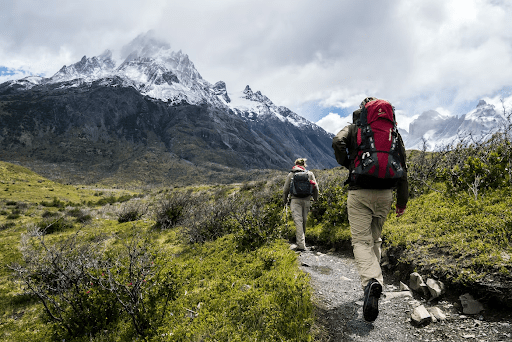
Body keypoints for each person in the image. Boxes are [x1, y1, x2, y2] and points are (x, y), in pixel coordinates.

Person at [332, 97, 408, 322]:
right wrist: (402, 202)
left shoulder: (356, 127)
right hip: (385, 194)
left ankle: (371, 282)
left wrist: (348, 163)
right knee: (375, 240)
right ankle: (375, 284)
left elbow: (337, 142)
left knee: (361, 241)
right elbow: (403, 166)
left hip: (360, 191)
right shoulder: (392, 132)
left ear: (363, 110)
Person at [283, 158, 319, 251]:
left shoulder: (291, 174)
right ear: (304, 165)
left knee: (298, 221)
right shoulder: (309, 174)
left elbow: (285, 190)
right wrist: (315, 199)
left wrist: (285, 201)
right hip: (307, 200)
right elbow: (316, 187)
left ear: (295, 164)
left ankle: (301, 245)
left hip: (295, 200)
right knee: (304, 220)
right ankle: (302, 242)